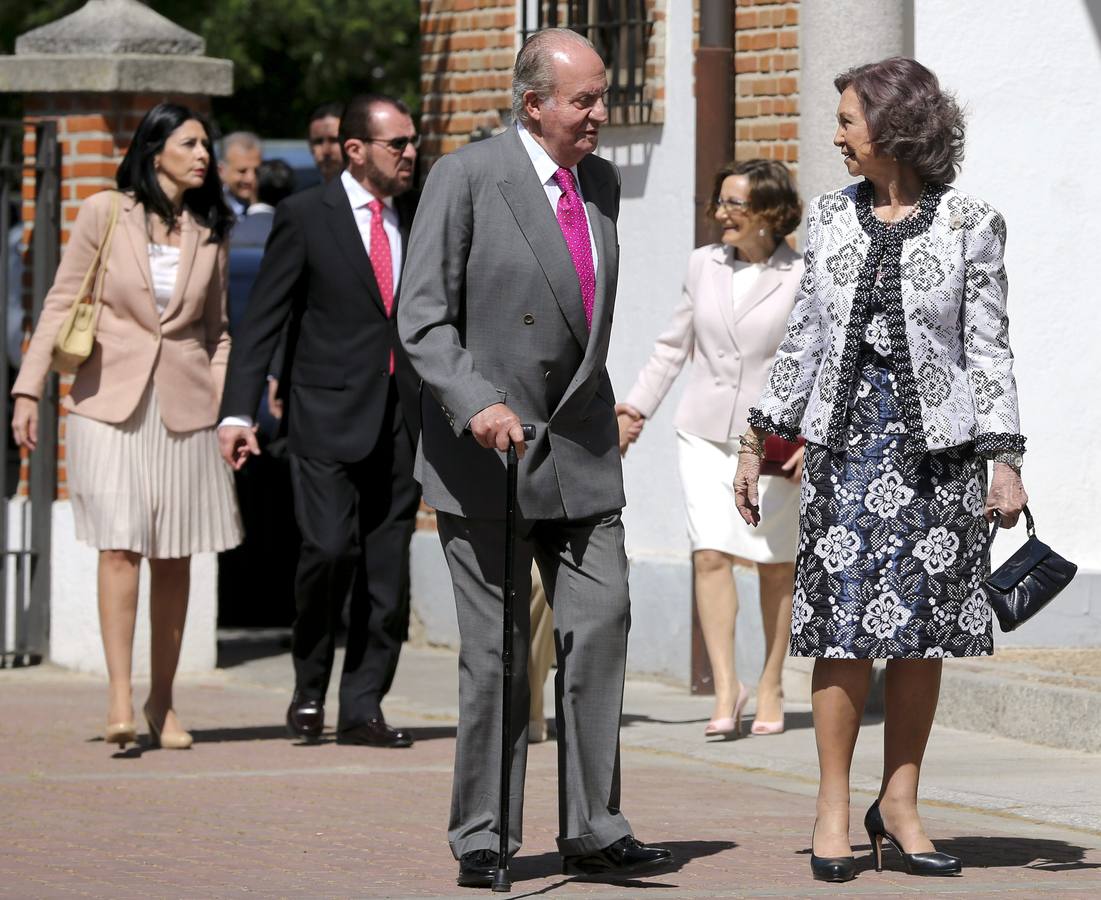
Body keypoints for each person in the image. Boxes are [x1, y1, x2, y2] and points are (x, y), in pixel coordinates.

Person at [734, 58, 1028, 883]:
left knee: (920, 635)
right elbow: (803, 340)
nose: (834, 136)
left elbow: (988, 350)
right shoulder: (828, 219)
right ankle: (832, 806)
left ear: (894, 125)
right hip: (844, 451)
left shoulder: (973, 223)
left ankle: (898, 803)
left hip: (938, 456)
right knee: (843, 629)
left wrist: (1003, 460)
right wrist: (758, 441)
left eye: (846, 121)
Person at [398, 27, 673, 888]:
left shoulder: (598, 184)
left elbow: (580, 312)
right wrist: (474, 400)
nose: (600, 113)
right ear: (534, 104)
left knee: (600, 628)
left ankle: (594, 827)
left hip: (581, 449)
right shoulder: (466, 177)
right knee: (497, 654)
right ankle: (483, 833)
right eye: (585, 99)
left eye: (602, 96)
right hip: (488, 454)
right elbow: (422, 316)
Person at [11, 102, 242, 751]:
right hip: (106, 404)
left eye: (206, 146)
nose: (203, 155)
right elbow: (60, 300)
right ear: (155, 148)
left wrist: (217, 400)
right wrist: (28, 388)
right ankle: (118, 693)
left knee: (174, 555)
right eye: (191, 143)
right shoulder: (105, 212)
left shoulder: (210, 229)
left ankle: (162, 703)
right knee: (120, 546)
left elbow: (216, 332)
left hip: (185, 411)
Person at [217, 94, 421, 749]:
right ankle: (309, 690)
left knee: (386, 578)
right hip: (324, 412)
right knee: (328, 552)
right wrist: (237, 411)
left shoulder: (420, 214)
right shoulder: (307, 216)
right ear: (357, 150)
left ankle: (362, 706)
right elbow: (264, 319)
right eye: (398, 144)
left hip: (401, 420)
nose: (411, 154)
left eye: (413, 142)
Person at [619, 159, 804, 739]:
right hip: (701, 431)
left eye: (734, 205)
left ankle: (771, 680)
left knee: (775, 563)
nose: (720, 214)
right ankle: (728, 685)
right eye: (718, 203)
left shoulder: (803, 274)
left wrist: (810, 436)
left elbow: (820, 361)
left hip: (772, 441)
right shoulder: (702, 265)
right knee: (709, 553)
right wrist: (635, 409)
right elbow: (673, 346)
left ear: (769, 214)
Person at [218, 132, 262, 217]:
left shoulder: (269, 206)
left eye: (256, 171)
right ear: (221, 171)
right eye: (242, 171)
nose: (251, 178)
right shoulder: (213, 210)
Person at [308, 102, 344, 184]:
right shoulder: (302, 195)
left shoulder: (372, 195)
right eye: (318, 142)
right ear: (310, 146)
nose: (326, 151)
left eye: (334, 140)